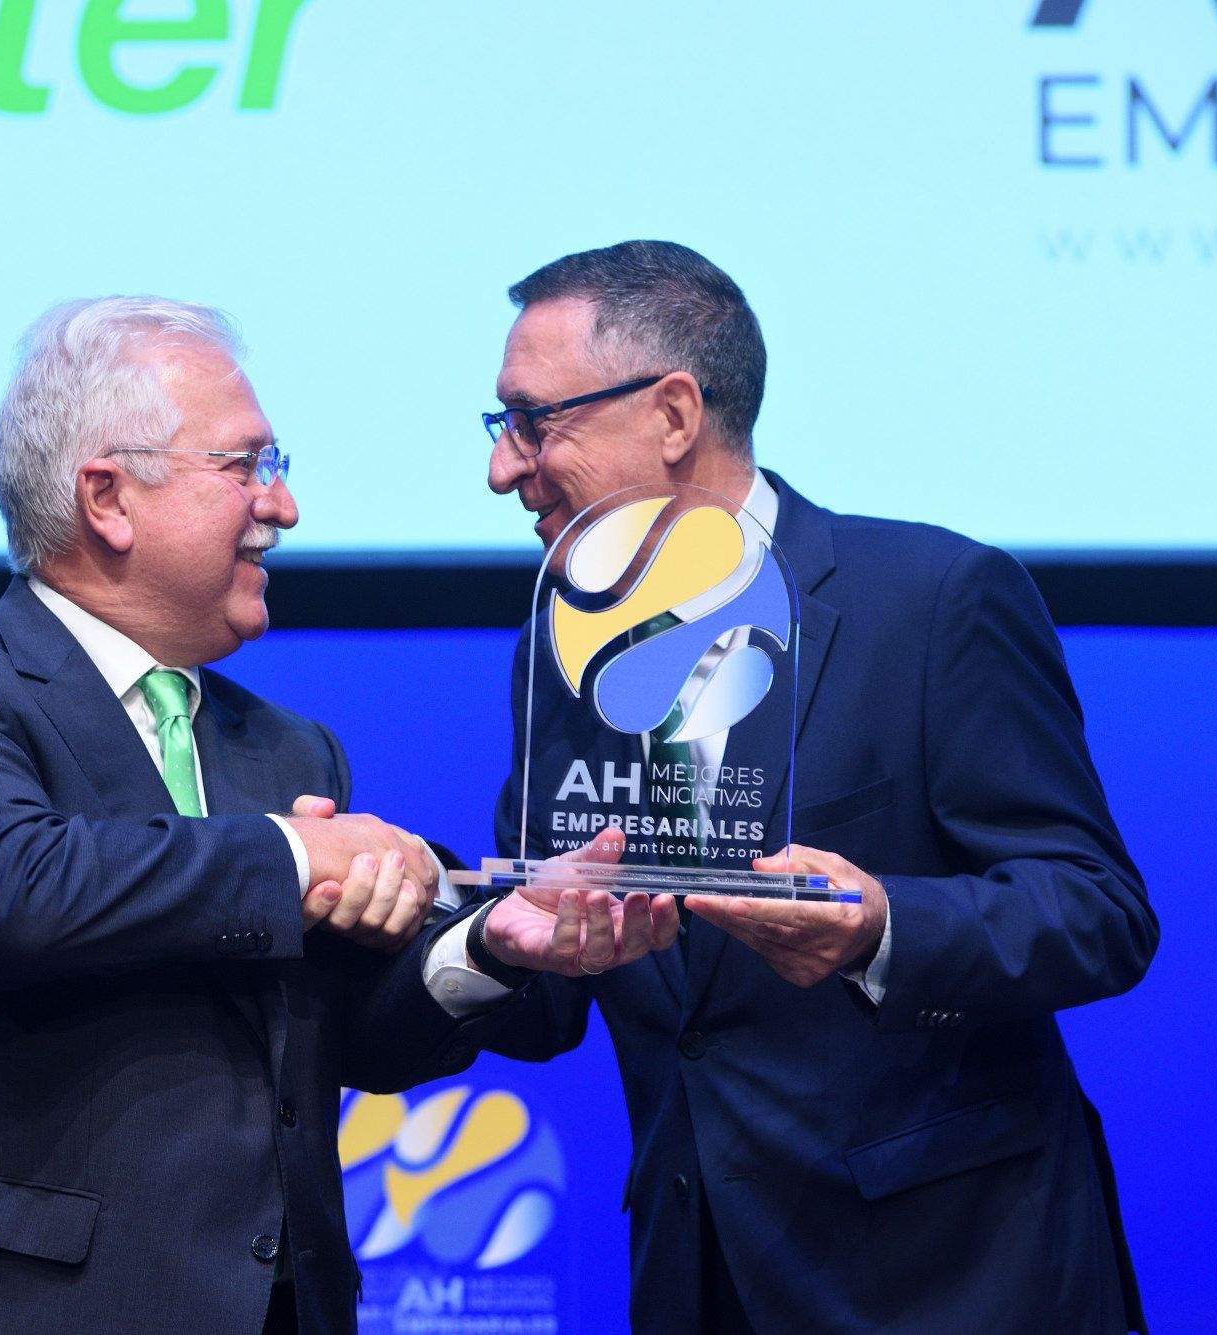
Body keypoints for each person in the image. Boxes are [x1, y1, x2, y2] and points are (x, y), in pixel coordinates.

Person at [0, 296, 671, 1334]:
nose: (284, 505)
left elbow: (344, 1039)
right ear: (107, 498)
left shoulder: (284, 747)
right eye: (246, 467)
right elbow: (20, 891)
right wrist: (293, 854)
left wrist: (487, 945)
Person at [455, 242, 1159, 1332]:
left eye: (533, 421)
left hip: (953, 1285)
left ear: (674, 415)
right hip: (700, 1282)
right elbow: (550, 995)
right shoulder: (557, 647)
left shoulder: (929, 599)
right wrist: (504, 938)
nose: (503, 467)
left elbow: (1094, 912)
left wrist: (879, 926)